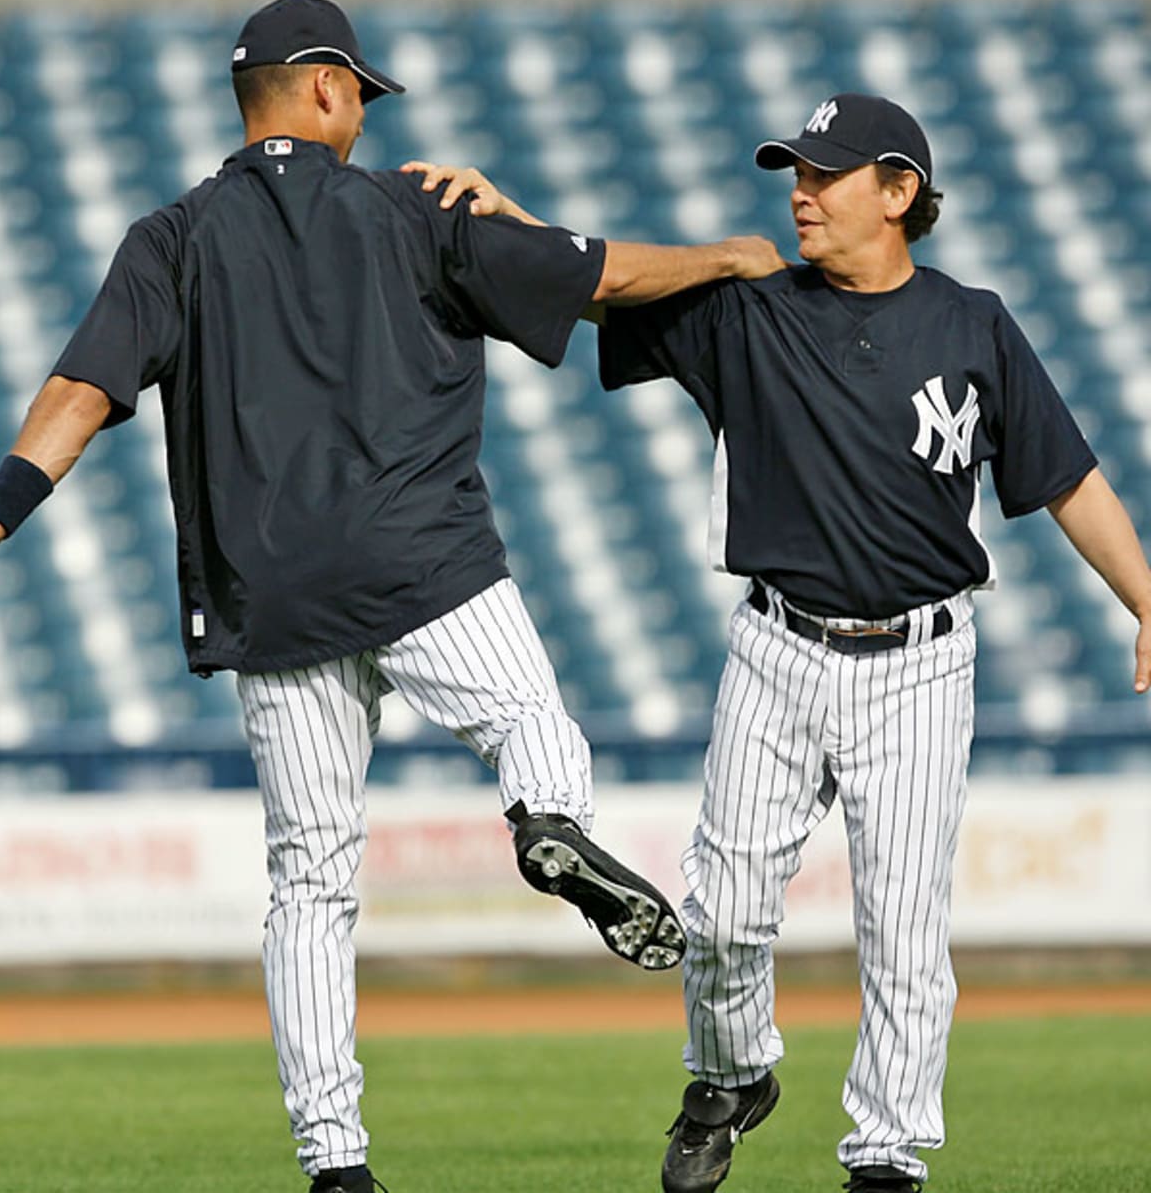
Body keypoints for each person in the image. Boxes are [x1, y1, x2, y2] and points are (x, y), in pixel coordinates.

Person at [0, 0, 789, 1192]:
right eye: (364, 93)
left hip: (273, 599)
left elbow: (81, 392)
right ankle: (546, 820)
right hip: (423, 565)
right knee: (531, 727)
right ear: (331, 88)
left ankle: (335, 1166)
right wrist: (730, 255)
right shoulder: (417, 209)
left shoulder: (172, 238)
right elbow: (601, 278)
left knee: (310, 882)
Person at [428, 92, 1151, 1193]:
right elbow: (598, 290)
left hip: (920, 661)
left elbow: (1066, 480)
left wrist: (1147, 600)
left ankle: (886, 1155)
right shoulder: (748, 308)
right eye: (796, 172)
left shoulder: (973, 324)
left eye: (826, 173)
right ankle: (730, 1075)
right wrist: (513, 219)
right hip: (777, 648)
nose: (801, 192)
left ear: (899, 192)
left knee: (905, 932)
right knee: (720, 911)